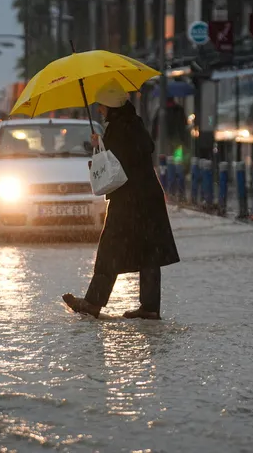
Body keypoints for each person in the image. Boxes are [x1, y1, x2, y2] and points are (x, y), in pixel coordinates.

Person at [62, 80, 180, 320]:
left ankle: (93, 303)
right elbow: (138, 152)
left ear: (110, 105)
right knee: (149, 251)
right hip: (147, 198)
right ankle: (149, 308)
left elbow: (118, 163)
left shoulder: (118, 128)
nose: (99, 109)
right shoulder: (134, 123)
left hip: (129, 199)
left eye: (101, 105)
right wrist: (102, 144)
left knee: (110, 249)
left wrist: (101, 147)